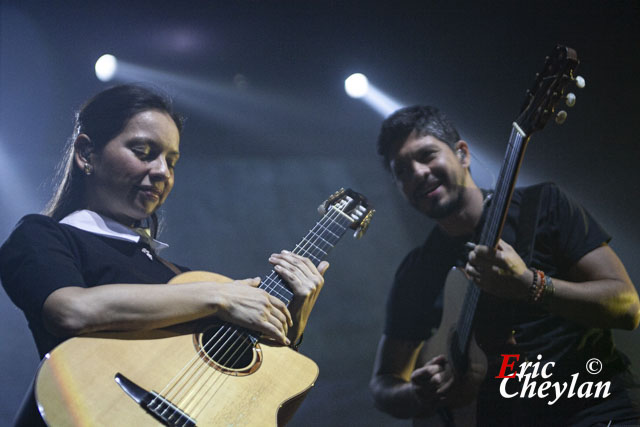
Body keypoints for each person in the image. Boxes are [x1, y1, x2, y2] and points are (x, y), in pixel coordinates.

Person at [0, 84, 328, 425]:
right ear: (86, 153)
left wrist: (292, 323)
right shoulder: (43, 235)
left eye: (171, 161)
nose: (162, 172)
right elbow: (70, 310)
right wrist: (219, 295)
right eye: (143, 151)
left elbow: (254, 405)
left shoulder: (178, 277)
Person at [369, 105, 640, 426]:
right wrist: (419, 393)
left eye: (427, 155)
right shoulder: (417, 270)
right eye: (401, 171)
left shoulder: (542, 206)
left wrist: (531, 285)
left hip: (589, 410)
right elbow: (383, 384)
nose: (417, 173)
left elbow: (627, 308)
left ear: (463, 154)